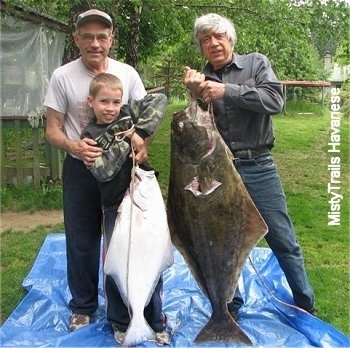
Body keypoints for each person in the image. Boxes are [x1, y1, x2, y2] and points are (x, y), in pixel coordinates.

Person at [184, 13, 316, 319]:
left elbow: (274, 101)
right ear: (201, 47)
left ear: (230, 39)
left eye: (219, 36)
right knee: (223, 241)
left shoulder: (256, 63)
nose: (213, 43)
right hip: (217, 170)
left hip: (258, 165)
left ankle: (305, 304)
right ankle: (230, 306)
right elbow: (197, 127)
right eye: (206, 39)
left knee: (282, 238)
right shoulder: (201, 78)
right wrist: (195, 95)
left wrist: (226, 91)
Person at [43, 8, 157, 338]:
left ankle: (122, 313)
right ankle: (83, 307)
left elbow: (145, 115)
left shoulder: (128, 74)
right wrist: (74, 147)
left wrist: (141, 141)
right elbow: (52, 129)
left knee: (120, 241)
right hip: (80, 169)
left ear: (111, 40)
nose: (95, 43)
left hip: (120, 172)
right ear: (76, 39)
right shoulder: (62, 76)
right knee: (81, 240)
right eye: (88, 36)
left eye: (102, 37)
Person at [80, 72, 170, 345]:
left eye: (116, 101)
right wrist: (127, 140)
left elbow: (160, 98)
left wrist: (140, 133)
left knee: (151, 263)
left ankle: (155, 321)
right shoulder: (89, 137)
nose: (110, 107)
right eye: (104, 101)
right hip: (114, 208)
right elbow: (103, 171)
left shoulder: (129, 114)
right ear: (90, 102)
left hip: (145, 204)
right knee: (114, 265)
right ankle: (120, 322)